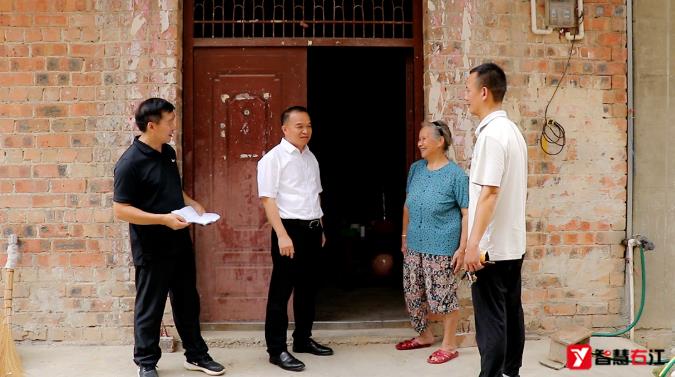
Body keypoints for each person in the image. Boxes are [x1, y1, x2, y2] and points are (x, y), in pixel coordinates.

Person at [113, 98, 225, 377]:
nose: (174, 126)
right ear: (152, 125)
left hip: (180, 242)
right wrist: (162, 219)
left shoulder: (168, 152)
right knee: (150, 307)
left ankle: (197, 355)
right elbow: (121, 210)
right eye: (170, 121)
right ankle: (146, 362)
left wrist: (193, 204)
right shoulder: (129, 163)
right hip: (152, 247)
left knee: (188, 301)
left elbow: (172, 189)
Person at [461, 63, 528, 377]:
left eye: (468, 90)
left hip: (491, 250)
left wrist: (473, 245)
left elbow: (489, 194)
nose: (466, 97)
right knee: (511, 314)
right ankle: (510, 372)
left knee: (491, 323)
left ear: (484, 92)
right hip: (512, 244)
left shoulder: (491, 136)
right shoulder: (513, 132)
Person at [257, 106, 334, 372]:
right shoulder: (273, 159)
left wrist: (320, 227)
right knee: (281, 291)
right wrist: (281, 235)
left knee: (308, 288)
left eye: (309, 125)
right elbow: (268, 200)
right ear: (285, 129)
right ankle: (276, 349)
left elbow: (315, 195)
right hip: (288, 230)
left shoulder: (310, 158)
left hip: (312, 228)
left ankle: (302, 339)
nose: (305, 131)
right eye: (299, 126)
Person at [395, 120, 469, 364]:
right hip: (415, 244)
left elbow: (467, 213)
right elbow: (408, 204)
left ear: (441, 141)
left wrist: (462, 247)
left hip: (442, 246)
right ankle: (424, 336)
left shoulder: (456, 175)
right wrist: (404, 236)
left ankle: (449, 345)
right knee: (413, 294)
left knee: (443, 296)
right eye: (419, 138)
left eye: (425, 138)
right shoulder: (416, 169)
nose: (420, 143)